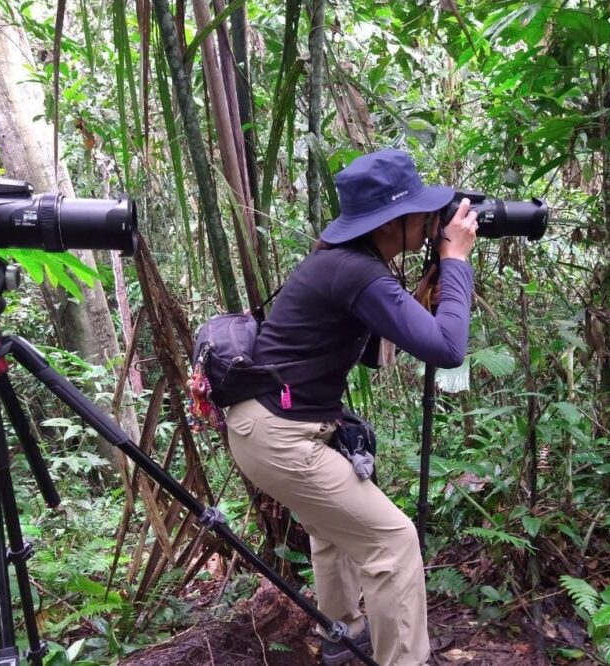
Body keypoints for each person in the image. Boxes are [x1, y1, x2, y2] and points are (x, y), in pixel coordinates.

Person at [225, 148, 478, 666]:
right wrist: (455, 262)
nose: (433, 222)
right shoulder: (356, 271)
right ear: (394, 220)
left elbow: (376, 347)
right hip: (280, 436)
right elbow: (448, 348)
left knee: (332, 530)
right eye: (425, 213)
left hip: (268, 426)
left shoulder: (346, 262)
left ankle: (345, 636)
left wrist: (430, 280)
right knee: (394, 542)